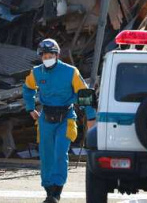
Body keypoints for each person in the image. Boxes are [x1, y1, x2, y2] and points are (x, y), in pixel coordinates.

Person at [22, 39, 96, 203]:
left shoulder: (70, 71)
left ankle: (57, 192)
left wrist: (91, 117)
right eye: (44, 55)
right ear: (41, 57)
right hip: (45, 119)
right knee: (46, 155)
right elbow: (27, 88)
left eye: (50, 55)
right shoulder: (36, 72)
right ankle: (49, 191)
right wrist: (30, 107)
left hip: (66, 118)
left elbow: (84, 93)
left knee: (60, 154)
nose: (47, 57)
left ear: (57, 55)